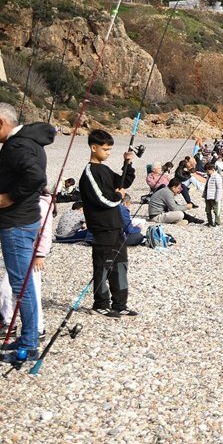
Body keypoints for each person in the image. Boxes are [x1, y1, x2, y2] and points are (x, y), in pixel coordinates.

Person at [0, 102, 55, 363]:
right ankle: (29, 337)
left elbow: (35, 177)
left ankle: (29, 343)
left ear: (1, 122)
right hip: (24, 221)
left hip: (16, 224)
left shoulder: (17, 145)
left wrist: (10, 197)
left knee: (22, 286)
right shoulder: (29, 141)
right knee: (23, 284)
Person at [78, 129, 137, 318]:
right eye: (105, 149)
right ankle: (100, 304)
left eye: (110, 149)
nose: (108, 153)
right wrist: (118, 196)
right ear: (93, 148)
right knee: (103, 266)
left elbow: (123, 182)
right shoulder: (89, 172)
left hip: (116, 227)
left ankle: (120, 304)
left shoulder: (105, 169)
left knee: (120, 265)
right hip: (102, 229)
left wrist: (128, 163)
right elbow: (102, 199)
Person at [0, 190, 55, 338]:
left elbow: (45, 231)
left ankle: (37, 329)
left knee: (29, 292)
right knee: (7, 290)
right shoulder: (23, 201)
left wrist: (40, 254)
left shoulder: (40, 204)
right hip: (17, 252)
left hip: (30, 255)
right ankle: (10, 325)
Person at [203, 161, 223, 227]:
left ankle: (217, 222)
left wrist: (217, 197)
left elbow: (219, 188)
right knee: (207, 210)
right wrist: (204, 195)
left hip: (214, 197)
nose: (207, 172)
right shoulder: (209, 176)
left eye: (208, 171)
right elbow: (206, 186)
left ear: (212, 169)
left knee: (216, 210)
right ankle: (210, 222)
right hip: (208, 196)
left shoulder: (217, 176)